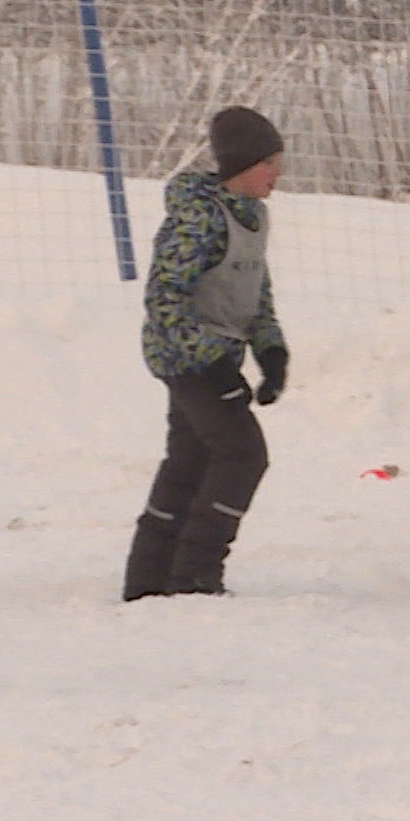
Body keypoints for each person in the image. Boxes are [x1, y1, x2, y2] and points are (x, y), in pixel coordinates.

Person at [123, 108, 290, 601]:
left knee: (188, 461)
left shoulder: (253, 216)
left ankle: (148, 578)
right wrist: (212, 364)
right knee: (243, 454)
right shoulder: (197, 218)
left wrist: (271, 350)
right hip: (185, 359)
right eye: (270, 163)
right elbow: (164, 299)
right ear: (241, 165)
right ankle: (195, 572)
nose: (278, 173)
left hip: (220, 358)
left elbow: (256, 292)